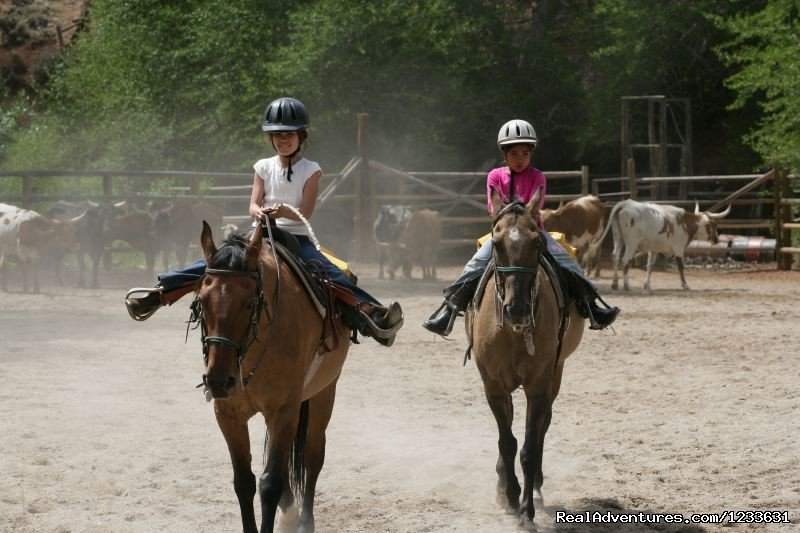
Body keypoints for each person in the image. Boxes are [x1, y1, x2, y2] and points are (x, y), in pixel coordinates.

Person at [125, 97, 403, 346]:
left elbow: (306, 211)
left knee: (331, 274)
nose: (283, 140)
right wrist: (258, 212)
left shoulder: (312, 171)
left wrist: (284, 212)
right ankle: (161, 292)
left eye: (288, 135)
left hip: (296, 237)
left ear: (301, 136)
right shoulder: (262, 167)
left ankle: (371, 315)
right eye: (277, 135)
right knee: (217, 261)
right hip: (260, 233)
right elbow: (253, 203)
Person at [422, 118, 619, 336]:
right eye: (514, 154)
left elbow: (536, 209)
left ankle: (591, 307)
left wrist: (521, 214)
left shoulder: (537, 177)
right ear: (504, 154)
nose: (520, 159)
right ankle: (449, 311)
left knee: (568, 261)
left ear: (531, 154)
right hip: (503, 232)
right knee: (474, 264)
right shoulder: (495, 177)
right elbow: (493, 207)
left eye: (525, 153)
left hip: (533, 231)